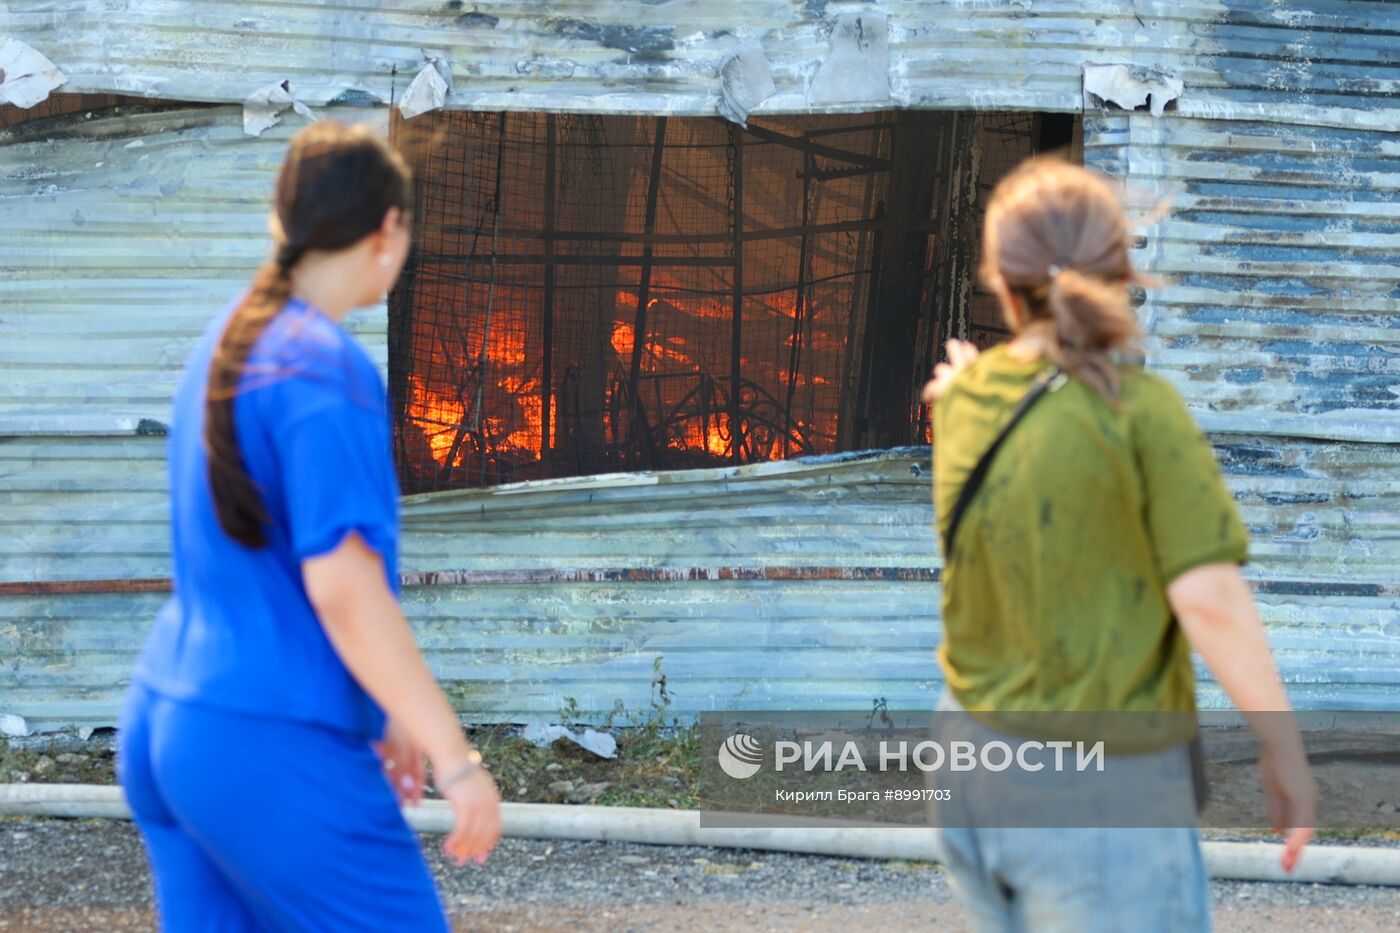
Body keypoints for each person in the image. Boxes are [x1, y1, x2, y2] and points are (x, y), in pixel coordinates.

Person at [116, 121, 501, 931]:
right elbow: (343, 589)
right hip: (270, 740)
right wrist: (454, 758)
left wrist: (387, 707)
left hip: (172, 721)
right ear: (388, 230)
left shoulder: (229, 341)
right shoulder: (326, 368)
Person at [922, 159, 1316, 932]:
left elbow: (1002, 405)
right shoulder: (1139, 411)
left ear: (1002, 282)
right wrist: (1283, 747)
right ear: (1117, 274)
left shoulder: (961, 401)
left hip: (969, 759)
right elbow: (1208, 599)